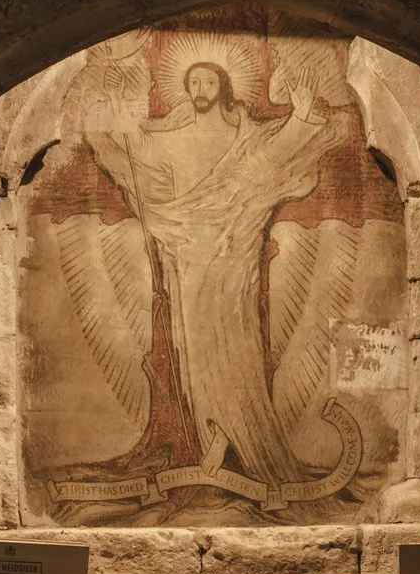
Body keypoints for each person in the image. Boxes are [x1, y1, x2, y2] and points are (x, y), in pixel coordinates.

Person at [86, 55, 330, 488]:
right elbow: (133, 153)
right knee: (195, 345)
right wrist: (111, 111)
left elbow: (278, 152)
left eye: (208, 82)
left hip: (236, 258)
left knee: (237, 345)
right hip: (190, 256)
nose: (199, 90)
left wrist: (305, 117)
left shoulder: (245, 135)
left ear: (223, 87)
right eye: (192, 82)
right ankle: (207, 438)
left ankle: (246, 441)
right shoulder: (172, 136)